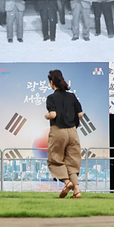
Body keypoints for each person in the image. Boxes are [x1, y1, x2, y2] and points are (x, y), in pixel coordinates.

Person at [45, 68, 84, 198]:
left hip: (59, 131)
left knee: (54, 159)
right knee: (72, 162)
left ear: (51, 83)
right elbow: (80, 114)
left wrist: (46, 116)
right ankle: (77, 191)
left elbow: (53, 114)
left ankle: (67, 182)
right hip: (73, 132)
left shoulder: (51, 98)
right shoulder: (72, 96)